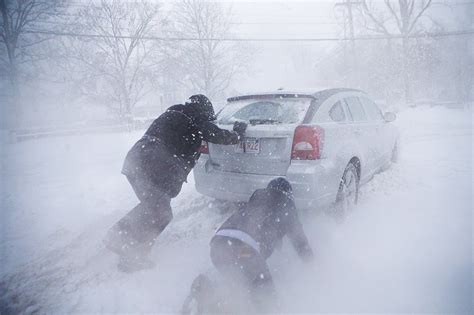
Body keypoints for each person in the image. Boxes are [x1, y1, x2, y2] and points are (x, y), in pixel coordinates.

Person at [105, 94, 247, 272]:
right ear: (204, 111)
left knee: (152, 207)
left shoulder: (176, 114)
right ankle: (124, 245)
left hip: (135, 160)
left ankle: (124, 243)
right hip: (154, 161)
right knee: (161, 212)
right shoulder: (195, 117)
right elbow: (218, 135)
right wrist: (237, 133)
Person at [183, 178, 313, 313]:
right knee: (266, 294)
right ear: (289, 194)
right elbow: (301, 243)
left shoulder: (257, 198)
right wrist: (312, 264)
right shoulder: (287, 206)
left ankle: (206, 290)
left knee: (235, 276)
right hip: (245, 249)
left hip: (218, 243)